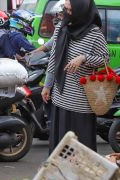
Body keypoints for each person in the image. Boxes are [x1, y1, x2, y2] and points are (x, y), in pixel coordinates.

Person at [41, 0, 109, 153]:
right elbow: (54, 58)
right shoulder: (61, 27)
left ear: (81, 11)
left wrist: (84, 58)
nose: (66, 14)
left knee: (80, 149)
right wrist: (47, 85)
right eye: (65, 9)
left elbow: (105, 58)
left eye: (70, 10)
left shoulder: (94, 33)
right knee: (61, 147)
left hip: (81, 101)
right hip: (60, 95)